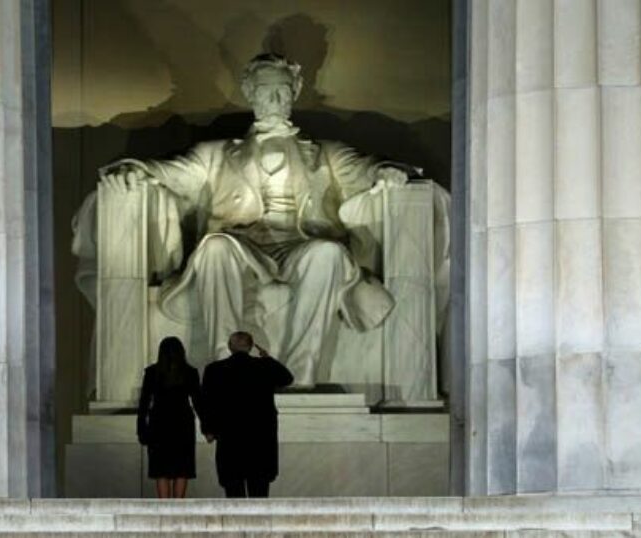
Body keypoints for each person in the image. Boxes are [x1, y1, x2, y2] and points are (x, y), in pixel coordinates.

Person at [88, 53, 432, 386]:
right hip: (241, 244)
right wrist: (135, 169)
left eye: (283, 89)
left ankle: (300, 375)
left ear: (295, 91)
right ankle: (225, 366)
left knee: (328, 254)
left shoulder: (324, 152)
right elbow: (170, 171)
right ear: (250, 92)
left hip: (299, 245)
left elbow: (364, 168)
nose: (275, 98)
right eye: (266, 90)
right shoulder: (217, 153)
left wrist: (387, 172)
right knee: (215, 247)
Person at [200, 331, 294, 497]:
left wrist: (208, 430)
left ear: (230, 347)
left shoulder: (215, 370)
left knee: (233, 492)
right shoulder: (264, 366)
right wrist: (267, 358)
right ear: (251, 347)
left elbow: (207, 403)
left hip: (230, 438)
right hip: (260, 440)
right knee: (259, 493)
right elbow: (287, 378)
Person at [137, 336, 201, 498]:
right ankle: (178, 506)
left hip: (159, 422)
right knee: (182, 468)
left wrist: (141, 429)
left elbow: (144, 403)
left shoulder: (152, 372)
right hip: (183, 423)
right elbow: (198, 401)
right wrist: (207, 426)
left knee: (161, 469)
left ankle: (164, 506)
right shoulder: (190, 372)